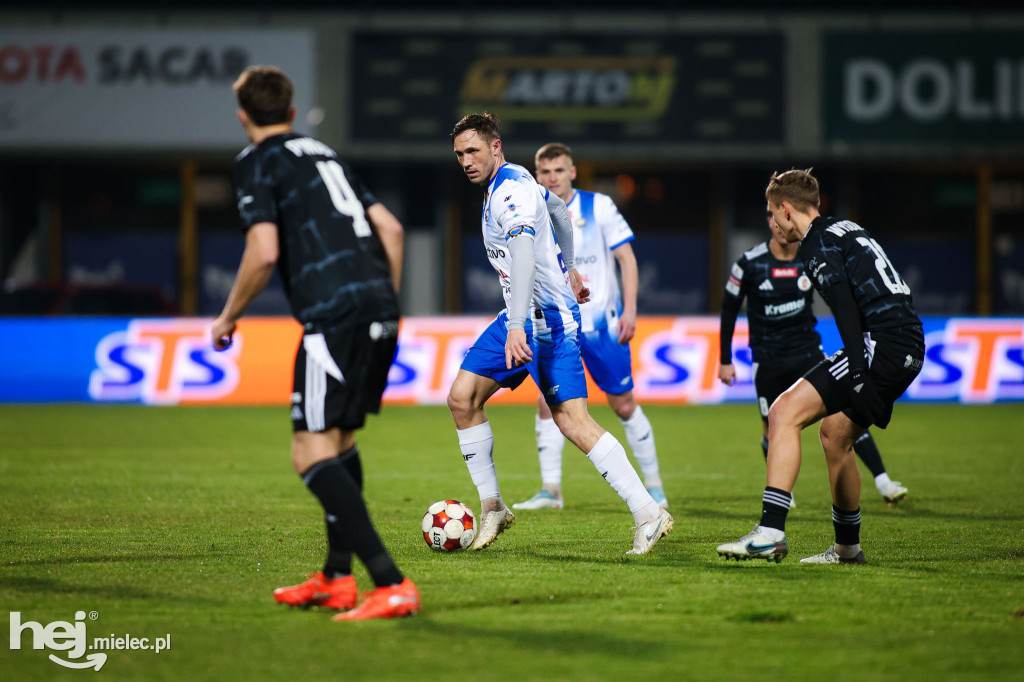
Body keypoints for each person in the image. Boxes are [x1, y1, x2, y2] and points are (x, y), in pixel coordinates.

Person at [211, 65, 419, 620]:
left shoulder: (257, 161)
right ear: (292, 111)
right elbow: (392, 229)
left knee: (308, 451)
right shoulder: (324, 153)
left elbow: (264, 252)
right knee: (338, 441)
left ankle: (390, 581)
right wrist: (383, 302)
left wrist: (228, 315)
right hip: (379, 308)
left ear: (242, 116)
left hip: (333, 315)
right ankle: (335, 577)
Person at [449, 113, 672, 555]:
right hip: (523, 312)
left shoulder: (507, 192)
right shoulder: (518, 179)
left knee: (572, 420)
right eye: (459, 154)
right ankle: (493, 505)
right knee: (462, 398)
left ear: (496, 147)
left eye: (473, 150)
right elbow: (558, 210)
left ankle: (649, 512)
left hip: (542, 321)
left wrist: (517, 325)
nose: (466, 161)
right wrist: (569, 267)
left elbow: (524, 252)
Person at [716, 168, 924, 565]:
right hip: (906, 341)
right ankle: (848, 548)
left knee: (782, 413)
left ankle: (770, 532)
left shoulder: (815, 246)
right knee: (834, 435)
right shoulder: (846, 228)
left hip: (881, 344)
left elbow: (844, 307)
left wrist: (861, 373)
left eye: (771, 213)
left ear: (785, 208)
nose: (772, 222)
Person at [513, 143, 668, 512]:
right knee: (548, 402)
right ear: (537, 174)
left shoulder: (599, 206)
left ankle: (655, 487)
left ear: (572, 172)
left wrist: (630, 309)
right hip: (557, 321)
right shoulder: (530, 210)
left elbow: (626, 259)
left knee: (623, 403)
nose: (552, 178)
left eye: (559, 171)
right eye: (545, 172)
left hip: (601, 323)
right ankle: (551, 491)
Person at [718, 211, 909, 506]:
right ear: (768, 222)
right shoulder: (749, 263)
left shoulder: (810, 257)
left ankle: (884, 481)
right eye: (770, 217)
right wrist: (725, 358)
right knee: (772, 426)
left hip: (807, 352)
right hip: (768, 359)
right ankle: (783, 489)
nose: (778, 225)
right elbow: (729, 308)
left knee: (843, 416)